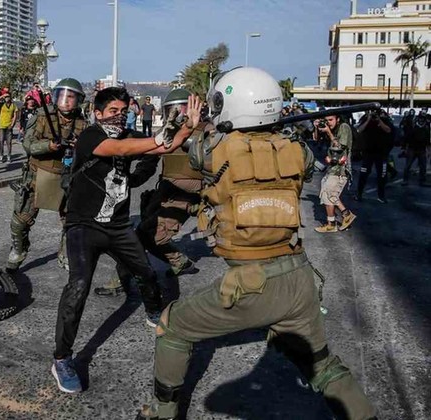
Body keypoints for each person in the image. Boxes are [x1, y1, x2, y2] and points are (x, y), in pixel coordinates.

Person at [136, 67, 375, 420]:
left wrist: (197, 123)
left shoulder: (214, 149)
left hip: (251, 282)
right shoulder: (298, 150)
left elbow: (192, 151)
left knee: (172, 327)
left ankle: (162, 411)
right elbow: (305, 163)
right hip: (300, 278)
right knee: (323, 366)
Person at [51, 87, 202, 394]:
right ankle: (62, 359)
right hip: (84, 225)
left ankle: (153, 313)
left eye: (123, 111)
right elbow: (121, 149)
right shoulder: (91, 136)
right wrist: (158, 139)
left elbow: (165, 146)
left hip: (118, 226)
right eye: (112, 111)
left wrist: (188, 126)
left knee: (146, 272)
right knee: (78, 287)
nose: (119, 116)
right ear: (97, 114)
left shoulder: (128, 135)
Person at [94, 88, 205, 297]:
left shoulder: (208, 133)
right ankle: (178, 262)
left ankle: (124, 279)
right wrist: (134, 179)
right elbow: (150, 158)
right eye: (172, 110)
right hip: (165, 190)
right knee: (143, 234)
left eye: (182, 108)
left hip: (186, 196)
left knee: (148, 236)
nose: (179, 114)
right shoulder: (168, 131)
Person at [7, 78, 87, 272]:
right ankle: (19, 250)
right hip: (37, 175)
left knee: (72, 223)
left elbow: (90, 152)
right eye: (62, 96)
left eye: (71, 97)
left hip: (67, 177)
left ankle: (66, 253)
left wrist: (80, 147)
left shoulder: (83, 123)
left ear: (78, 100)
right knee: (20, 221)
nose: (66, 101)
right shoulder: (42, 116)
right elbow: (28, 144)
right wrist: (49, 146)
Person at [314, 113, 356, 233]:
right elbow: (316, 139)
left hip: (341, 169)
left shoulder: (344, 127)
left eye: (331, 120)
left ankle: (331, 224)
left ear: (338, 119)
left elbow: (340, 147)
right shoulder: (334, 129)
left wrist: (328, 132)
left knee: (328, 194)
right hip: (333, 168)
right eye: (326, 120)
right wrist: (316, 127)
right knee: (327, 194)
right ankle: (346, 215)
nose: (328, 123)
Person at [355, 109, 393, 203]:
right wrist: (368, 120)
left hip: (381, 153)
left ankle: (381, 196)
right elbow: (359, 130)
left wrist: (379, 120)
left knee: (382, 175)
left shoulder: (384, 119)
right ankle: (359, 194)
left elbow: (388, 130)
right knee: (363, 174)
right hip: (368, 152)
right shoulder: (366, 119)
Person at [402, 109, 430, 186]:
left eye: (422, 119)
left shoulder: (426, 128)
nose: (421, 121)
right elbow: (407, 138)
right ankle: (405, 180)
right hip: (412, 148)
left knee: (423, 166)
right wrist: (405, 147)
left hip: (421, 149)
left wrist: (428, 150)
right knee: (408, 165)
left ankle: (422, 181)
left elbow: (427, 140)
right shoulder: (413, 127)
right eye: (420, 119)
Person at [0, 92, 18, 163]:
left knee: (9, 142)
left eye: (8, 97)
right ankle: (1, 156)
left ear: (10, 97)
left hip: (9, 126)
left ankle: (9, 156)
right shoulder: (1, 104)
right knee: (1, 141)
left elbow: (15, 116)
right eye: (6, 97)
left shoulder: (13, 105)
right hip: (2, 126)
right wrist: (2, 96)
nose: (7, 98)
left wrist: (12, 125)